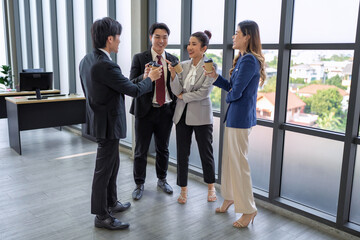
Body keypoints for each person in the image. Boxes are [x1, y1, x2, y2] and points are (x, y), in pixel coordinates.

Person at [79, 17, 162, 230]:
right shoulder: (106, 65)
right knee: (103, 171)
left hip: (99, 121)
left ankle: (111, 203)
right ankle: (101, 216)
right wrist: (150, 79)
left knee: (112, 166)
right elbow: (133, 91)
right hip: (108, 124)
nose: (120, 42)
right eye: (118, 38)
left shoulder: (88, 60)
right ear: (109, 39)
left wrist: (143, 77)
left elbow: (122, 85)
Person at [205, 20, 266, 228]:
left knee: (240, 166)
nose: (234, 36)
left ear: (247, 36)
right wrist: (216, 77)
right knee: (230, 162)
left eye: (237, 33)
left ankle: (249, 210)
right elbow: (232, 86)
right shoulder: (242, 59)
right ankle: (230, 197)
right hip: (234, 118)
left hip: (240, 120)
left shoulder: (249, 61)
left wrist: (230, 95)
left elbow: (236, 93)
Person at [130, 22, 178, 200]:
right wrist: (145, 77)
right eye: (157, 36)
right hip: (145, 110)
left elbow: (178, 88)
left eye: (165, 37)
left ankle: (162, 179)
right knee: (141, 150)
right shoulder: (139, 58)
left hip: (165, 110)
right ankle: (139, 183)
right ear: (151, 37)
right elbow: (131, 84)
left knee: (163, 148)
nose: (161, 40)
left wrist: (174, 76)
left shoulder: (173, 59)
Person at [168, 31, 217, 204]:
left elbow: (204, 92)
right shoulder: (183, 65)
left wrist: (183, 96)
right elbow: (175, 90)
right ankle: (183, 189)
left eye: (194, 44)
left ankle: (211, 187)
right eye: (189, 43)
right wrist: (173, 75)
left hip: (202, 116)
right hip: (182, 115)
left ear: (204, 48)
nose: (189, 47)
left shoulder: (210, 66)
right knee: (182, 154)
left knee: (206, 153)